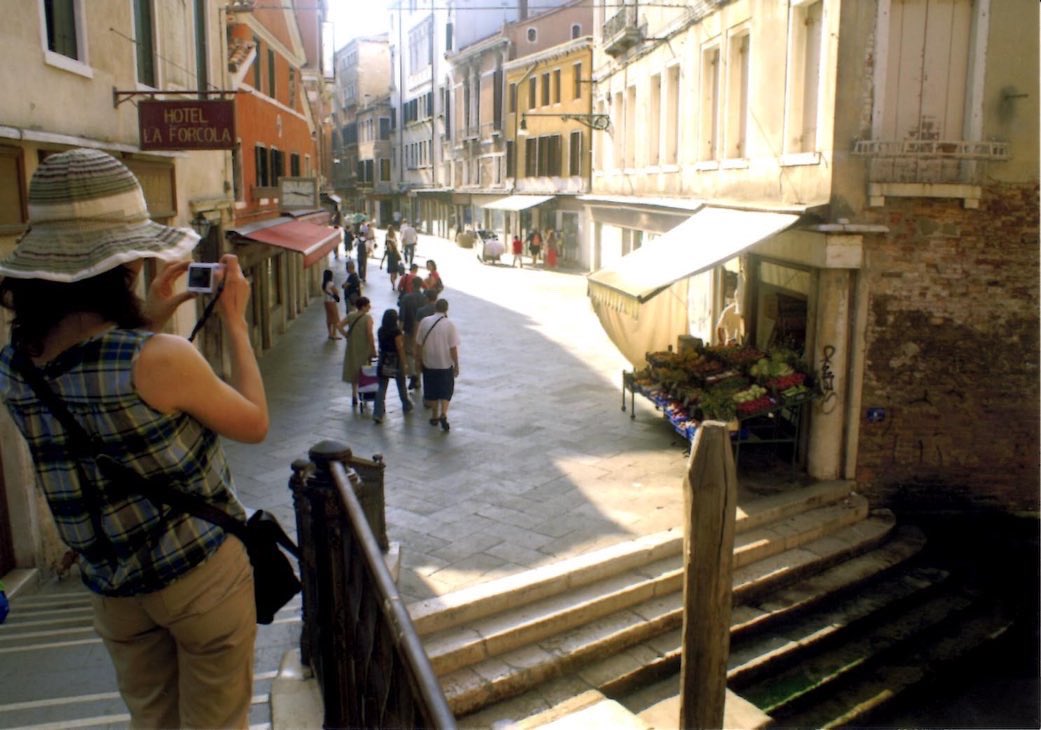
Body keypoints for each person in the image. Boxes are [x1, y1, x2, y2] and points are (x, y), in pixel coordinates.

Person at [0, 148, 267, 729]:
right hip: (198, 574)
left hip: (113, 587)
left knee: (153, 722)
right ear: (119, 264)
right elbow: (254, 423)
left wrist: (149, 314)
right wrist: (237, 326)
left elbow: (94, 373)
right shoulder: (160, 357)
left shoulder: (15, 364)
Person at [415, 298, 460, 432]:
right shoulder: (450, 324)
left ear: (435, 308)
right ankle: (443, 414)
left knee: (432, 390)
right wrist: (456, 364)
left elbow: (418, 344)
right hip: (445, 363)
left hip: (429, 363)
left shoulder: (424, 322)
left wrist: (418, 361)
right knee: (446, 390)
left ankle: (434, 415)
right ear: (446, 309)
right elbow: (453, 348)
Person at [373, 309, 413, 424]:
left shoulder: (380, 330)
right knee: (401, 384)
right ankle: (406, 405)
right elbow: (400, 348)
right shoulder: (396, 332)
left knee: (381, 387)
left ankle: (377, 413)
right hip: (396, 360)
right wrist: (405, 363)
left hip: (383, 358)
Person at [337, 296, 375, 408]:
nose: (369, 307)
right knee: (364, 370)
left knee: (354, 369)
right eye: (368, 305)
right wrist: (373, 348)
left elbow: (339, 325)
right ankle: (364, 395)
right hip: (364, 347)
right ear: (363, 307)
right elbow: (369, 334)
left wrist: (347, 335)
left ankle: (354, 394)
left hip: (352, 346)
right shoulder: (368, 318)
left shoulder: (351, 315)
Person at [399, 282, 429, 391]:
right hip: (424, 331)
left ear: (412, 286)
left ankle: (414, 375)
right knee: (421, 354)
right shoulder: (425, 299)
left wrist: (400, 331)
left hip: (409, 330)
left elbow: (401, 316)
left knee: (410, 353)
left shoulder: (406, 298)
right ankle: (419, 378)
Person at [322, 269, 341, 339]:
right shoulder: (330, 283)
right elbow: (336, 292)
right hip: (332, 302)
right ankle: (334, 334)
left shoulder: (324, 284)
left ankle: (330, 334)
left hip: (326, 302)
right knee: (335, 318)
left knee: (329, 317)